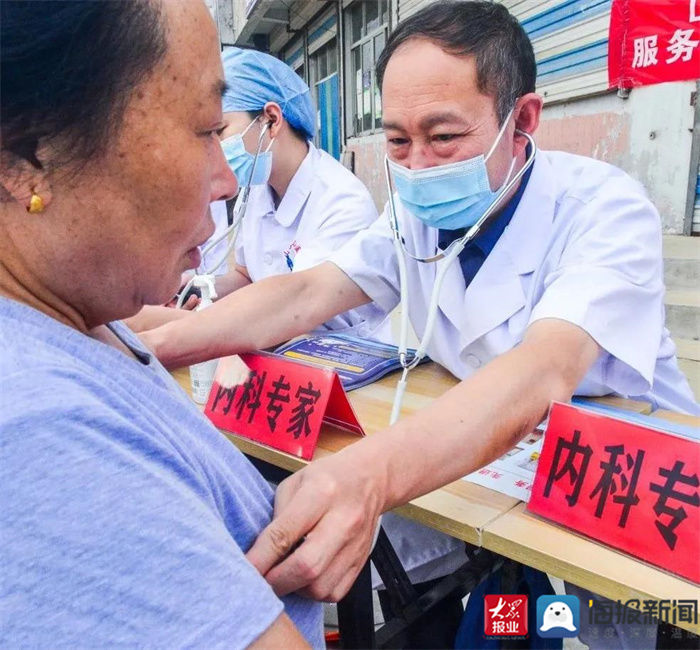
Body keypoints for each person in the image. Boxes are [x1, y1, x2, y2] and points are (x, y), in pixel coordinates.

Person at [142, 1, 699, 647]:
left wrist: (368, 474)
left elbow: (543, 370)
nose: (417, 167)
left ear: (522, 120)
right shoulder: (415, 212)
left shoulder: (603, 209)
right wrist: (155, 345)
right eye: (399, 140)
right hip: (483, 455)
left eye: (444, 137)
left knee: (616, 625)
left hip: (613, 474)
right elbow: (309, 291)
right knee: (489, 606)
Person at [0, 1, 321, 646]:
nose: (227, 180)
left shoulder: (79, 314)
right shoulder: (44, 439)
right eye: (206, 129)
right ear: (29, 156)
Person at [132, 47, 390, 340]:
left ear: (271, 119)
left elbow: (292, 306)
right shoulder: (255, 190)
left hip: (342, 358)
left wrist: (171, 330)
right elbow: (246, 276)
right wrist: (202, 287)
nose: (213, 150)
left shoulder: (341, 202)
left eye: (221, 132)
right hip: (279, 350)